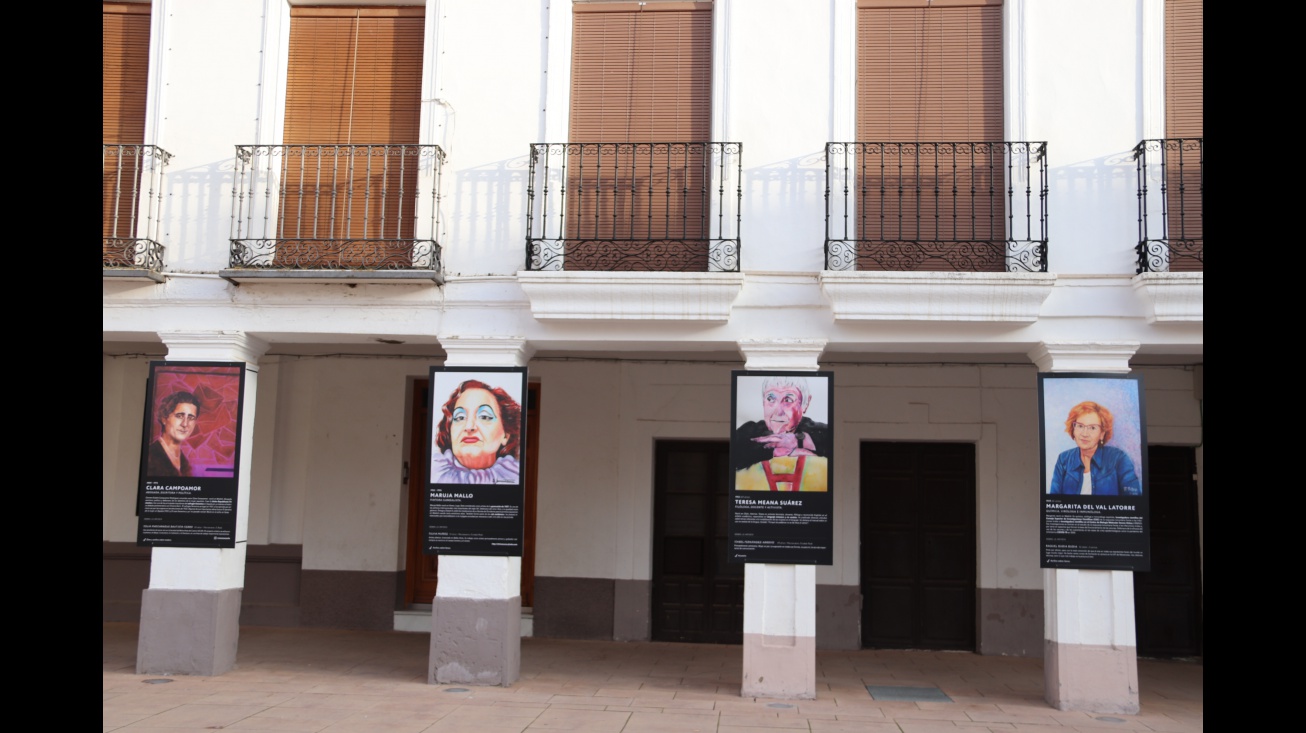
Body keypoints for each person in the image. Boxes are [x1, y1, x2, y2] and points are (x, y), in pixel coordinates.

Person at [732, 376, 832, 491]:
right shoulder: (751, 431)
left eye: (788, 400)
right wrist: (777, 450)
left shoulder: (816, 430)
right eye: (770, 399)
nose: (778, 411)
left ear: (805, 404)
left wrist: (799, 440)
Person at [431, 379, 523, 484]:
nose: (469, 426)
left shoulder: (515, 477)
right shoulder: (434, 474)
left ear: (506, 435)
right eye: (460, 417)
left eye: (484, 416)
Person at [1048, 401, 1141, 496]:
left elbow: (1134, 498)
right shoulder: (1064, 459)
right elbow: (1054, 501)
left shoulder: (1118, 458)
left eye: (1092, 428)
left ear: (1102, 434)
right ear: (1073, 429)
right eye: (1080, 426)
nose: (1084, 434)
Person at [147, 391, 201, 477]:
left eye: (191, 418)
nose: (185, 424)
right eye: (179, 416)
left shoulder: (185, 463)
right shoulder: (149, 456)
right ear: (164, 418)